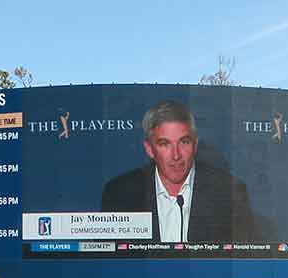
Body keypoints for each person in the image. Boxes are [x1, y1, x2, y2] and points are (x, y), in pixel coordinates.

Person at [101, 99, 264, 244]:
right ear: (149, 149)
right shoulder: (119, 193)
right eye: (165, 144)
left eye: (184, 142)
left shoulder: (230, 192)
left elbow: (245, 259)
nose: (176, 155)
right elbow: (107, 263)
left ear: (195, 145)